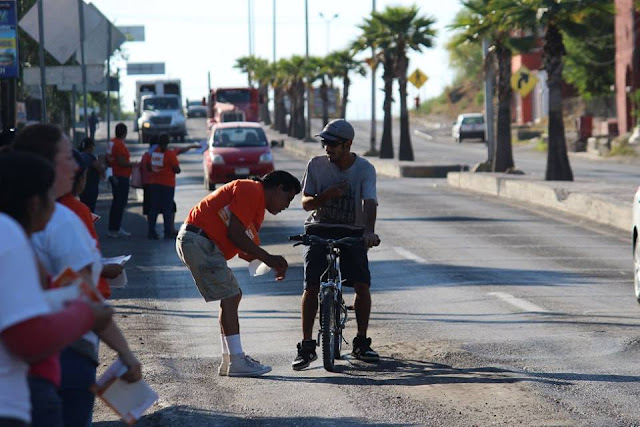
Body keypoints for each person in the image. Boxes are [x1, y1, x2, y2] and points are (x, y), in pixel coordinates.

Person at [13, 124, 142, 427]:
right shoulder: (62, 221)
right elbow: (85, 299)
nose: (75, 166)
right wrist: (125, 353)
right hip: (65, 356)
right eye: (67, 157)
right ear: (46, 164)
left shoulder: (15, 216)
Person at [0, 151, 113, 427]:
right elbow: (25, 338)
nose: (57, 206)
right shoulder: (9, 235)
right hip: (15, 401)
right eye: (51, 196)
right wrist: (85, 314)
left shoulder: (16, 238)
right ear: (34, 203)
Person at [176, 171, 301, 377]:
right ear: (279, 188)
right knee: (231, 296)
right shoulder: (251, 189)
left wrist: (270, 263)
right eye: (288, 198)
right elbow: (235, 234)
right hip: (200, 241)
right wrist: (268, 257)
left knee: (232, 297)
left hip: (199, 243)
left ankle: (229, 360)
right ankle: (237, 360)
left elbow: (245, 248)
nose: (287, 205)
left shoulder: (257, 206)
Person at [292, 118, 381, 371]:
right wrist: (327, 195)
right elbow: (306, 203)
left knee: (362, 285)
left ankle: (361, 342)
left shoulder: (364, 169)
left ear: (348, 144)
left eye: (332, 144)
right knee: (311, 286)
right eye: (325, 143)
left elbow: (370, 203)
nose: (327, 148)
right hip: (319, 228)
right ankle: (307, 345)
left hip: (353, 231)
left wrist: (369, 232)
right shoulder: (316, 165)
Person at [147, 133, 180, 239]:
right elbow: (177, 169)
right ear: (167, 142)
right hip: (167, 184)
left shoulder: (153, 153)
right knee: (167, 208)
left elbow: (148, 166)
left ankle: (151, 231)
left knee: (154, 208)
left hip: (154, 183)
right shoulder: (170, 154)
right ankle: (168, 231)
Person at [106, 123, 136, 237]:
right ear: (125, 132)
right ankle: (115, 228)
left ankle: (115, 227)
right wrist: (133, 164)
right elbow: (121, 162)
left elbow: (108, 158)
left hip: (114, 174)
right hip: (121, 175)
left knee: (117, 202)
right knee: (120, 202)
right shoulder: (119, 145)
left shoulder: (112, 142)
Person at [78, 137, 106, 213]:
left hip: (82, 187)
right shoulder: (90, 157)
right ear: (90, 147)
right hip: (90, 188)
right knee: (90, 210)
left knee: (84, 207)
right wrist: (102, 162)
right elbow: (100, 168)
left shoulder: (80, 156)